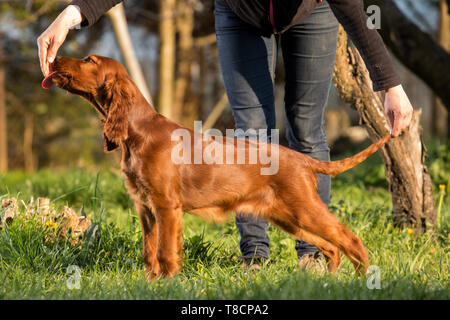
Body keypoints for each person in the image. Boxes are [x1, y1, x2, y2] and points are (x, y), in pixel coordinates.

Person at [38, 0, 413, 271]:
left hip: (311, 12)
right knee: (252, 130)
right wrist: (72, 14)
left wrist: (391, 85)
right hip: (239, 13)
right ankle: (254, 256)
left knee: (306, 126)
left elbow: (356, 15)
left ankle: (313, 255)